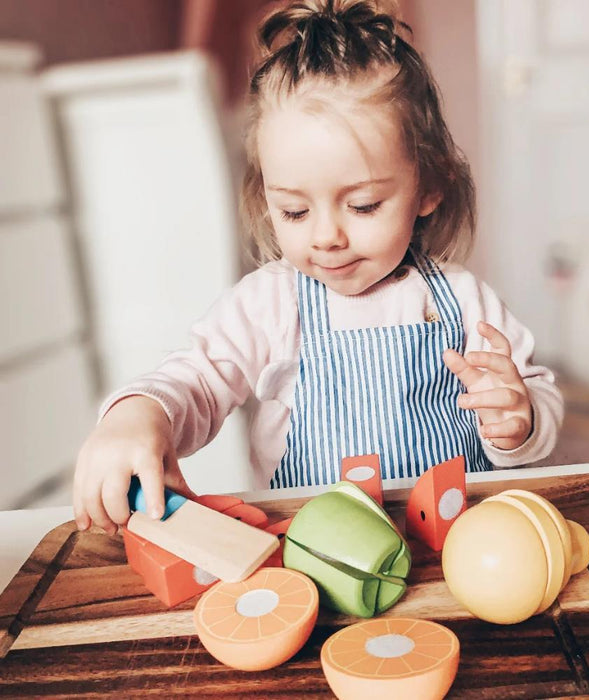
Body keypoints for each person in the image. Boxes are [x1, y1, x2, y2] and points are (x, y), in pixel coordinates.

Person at [73, 0, 563, 535]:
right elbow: (196, 378)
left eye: (363, 205)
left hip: (455, 547)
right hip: (319, 559)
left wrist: (520, 422)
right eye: (295, 211)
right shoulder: (269, 304)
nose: (327, 236)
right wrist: (139, 414)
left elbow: (534, 391)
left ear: (429, 187)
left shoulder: (465, 301)